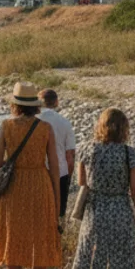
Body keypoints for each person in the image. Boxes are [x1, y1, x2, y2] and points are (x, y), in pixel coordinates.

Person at [0, 83, 62, 269]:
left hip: (15, 187)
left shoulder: (6, 126)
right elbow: (54, 165)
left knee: (14, 240)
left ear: (15, 104)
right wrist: (56, 198)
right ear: (36, 106)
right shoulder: (45, 128)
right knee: (39, 242)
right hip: (41, 185)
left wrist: (14, 164)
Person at [69, 108, 135, 269]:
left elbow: (82, 182)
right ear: (124, 128)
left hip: (95, 212)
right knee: (122, 264)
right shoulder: (130, 154)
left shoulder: (87, 149)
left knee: (89, 260)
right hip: (121, 212)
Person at [37, 89, 77, 226]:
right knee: (59, 215)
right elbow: (70, 155)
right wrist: (69, 177)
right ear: (56, 102)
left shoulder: (34, 121)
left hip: (37, 172)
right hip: (60, 173)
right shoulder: (65, 123)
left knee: (39, 215)